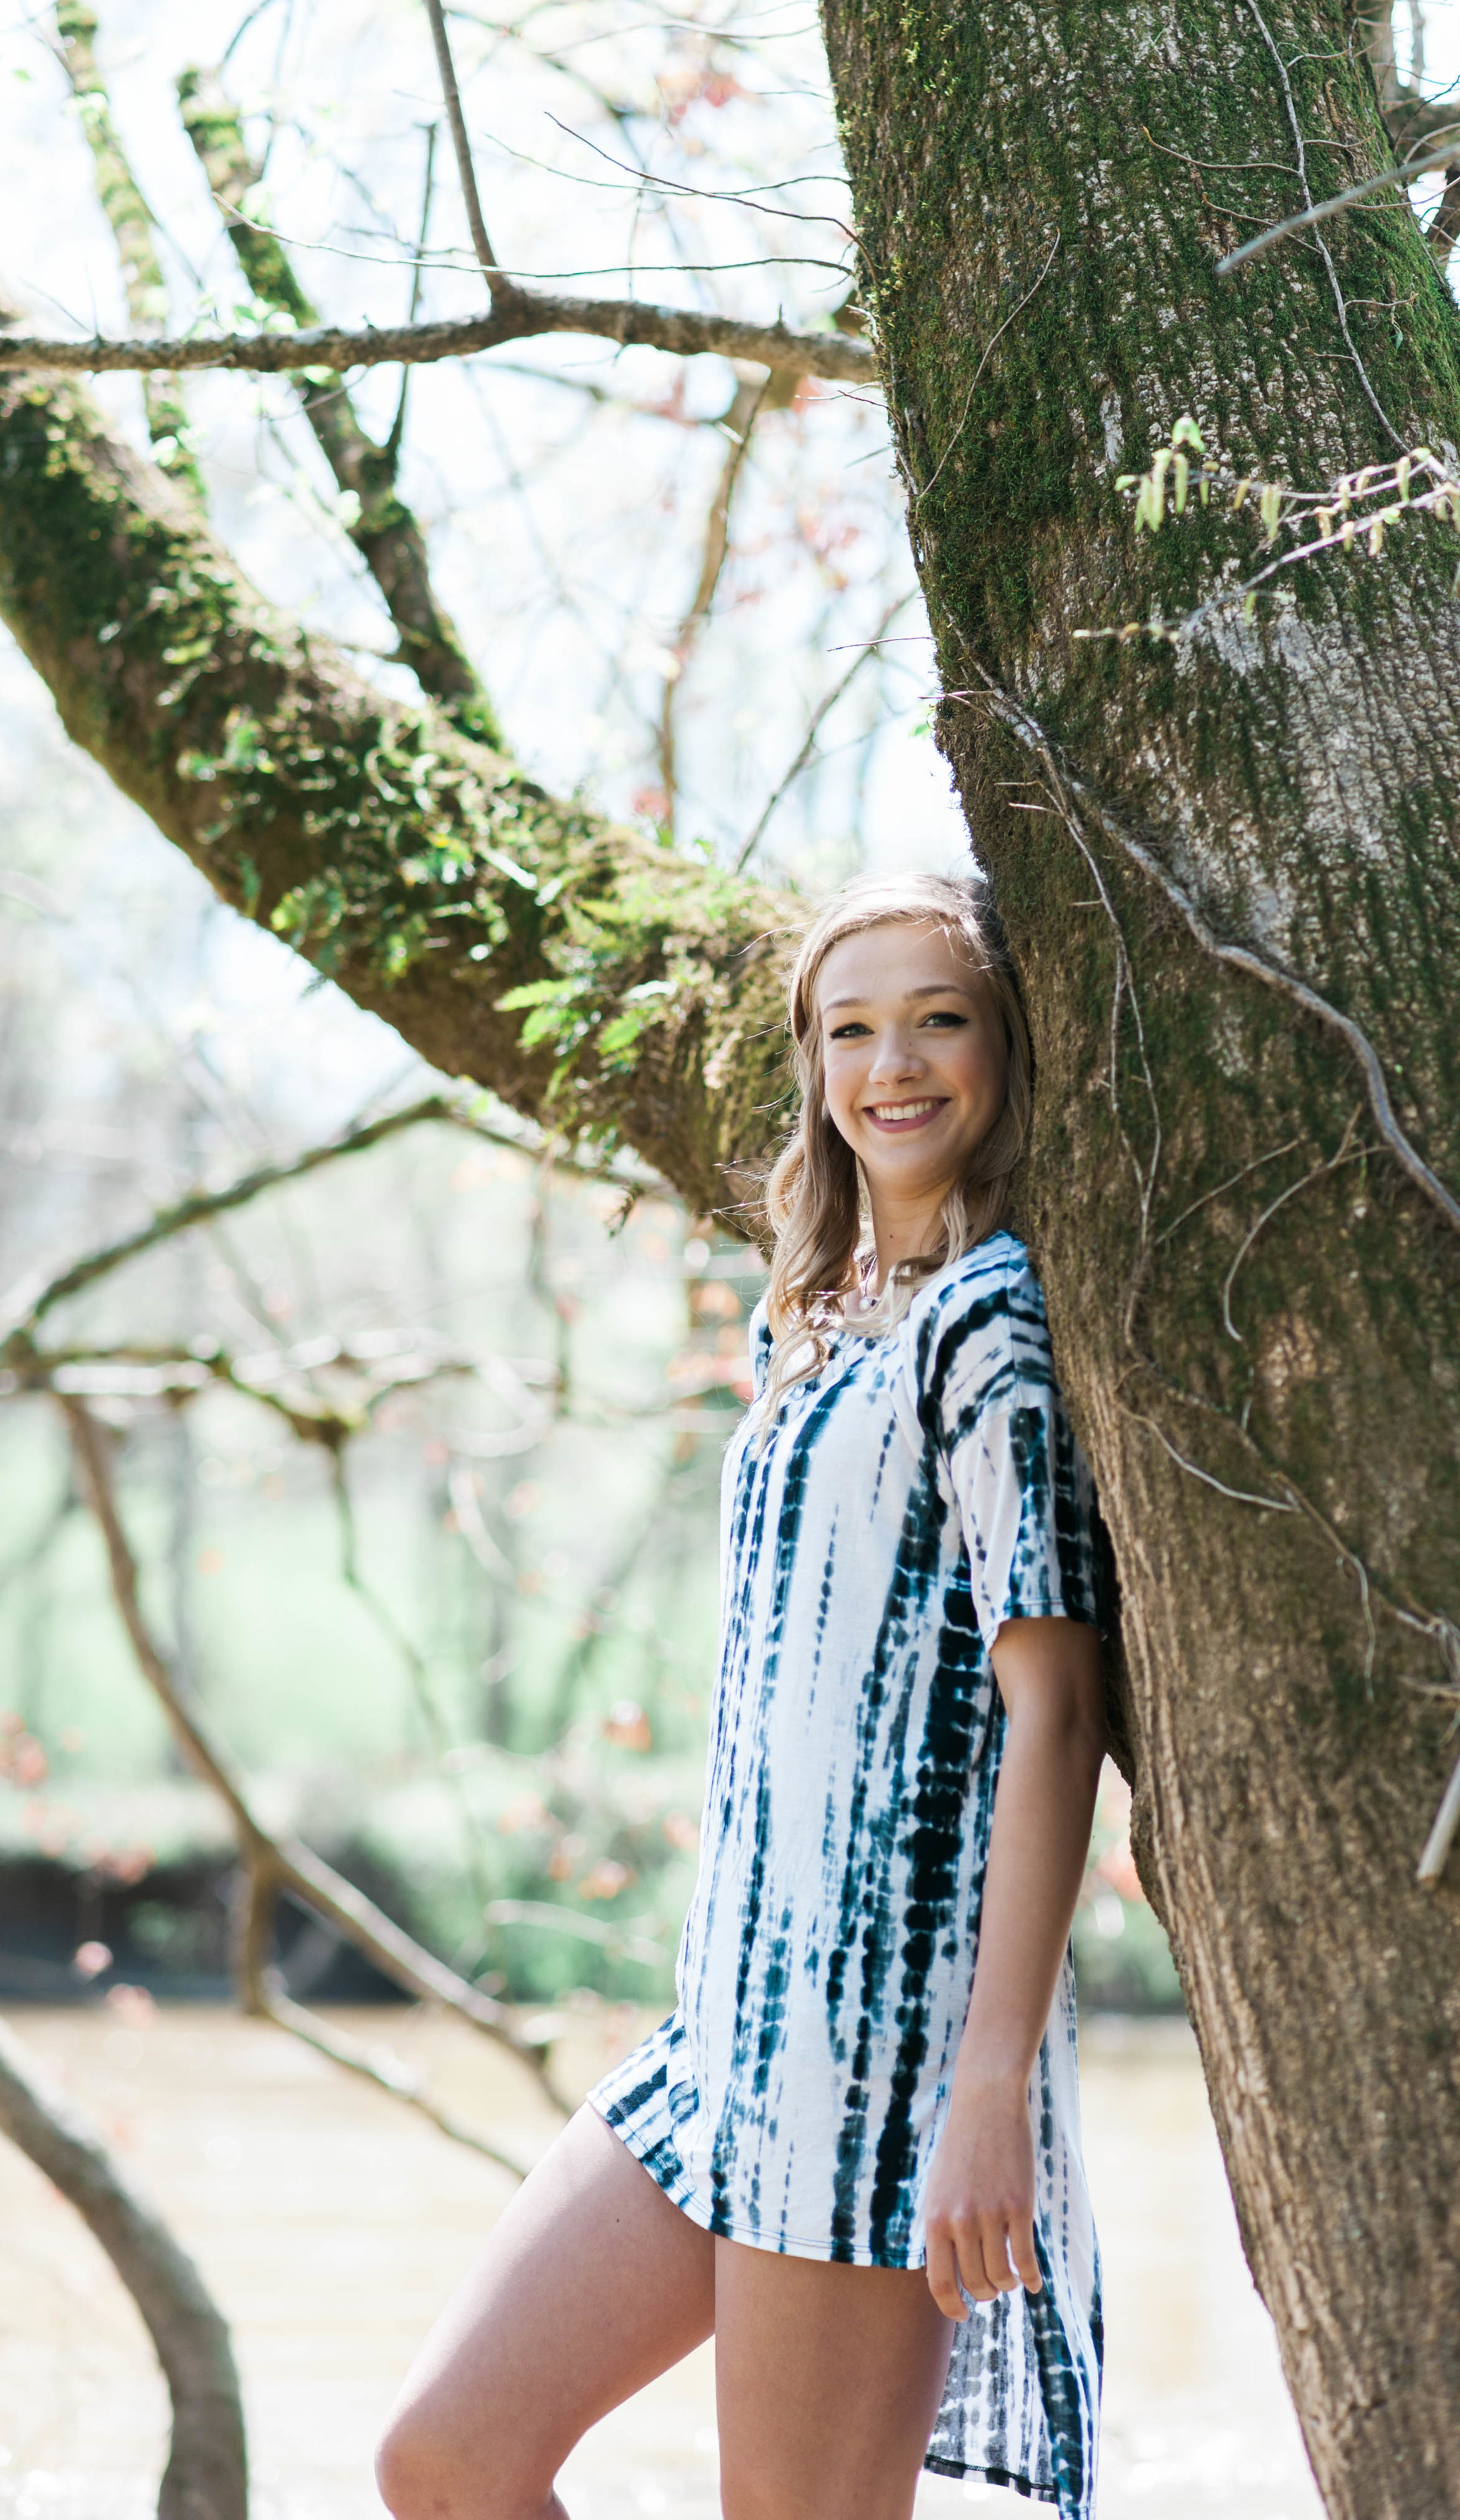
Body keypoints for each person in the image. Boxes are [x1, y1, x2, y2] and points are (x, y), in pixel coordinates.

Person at [376, 872, 1112, 2520]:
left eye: (938, 1018)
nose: (892, 1065)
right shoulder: (831, 1319)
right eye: (850, 1028)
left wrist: (986, 2084)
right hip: (730, 2026)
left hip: (876, 2052)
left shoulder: (986, 1325)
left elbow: (1053, 1717)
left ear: (1004, 1047)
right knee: (449, 2458)